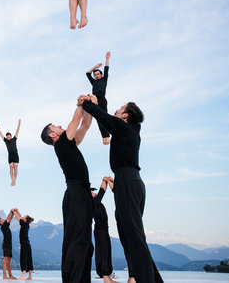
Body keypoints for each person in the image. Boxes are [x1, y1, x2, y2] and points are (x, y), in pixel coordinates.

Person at [81, 97, 164, 283]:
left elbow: (104, 117)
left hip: (128, 181)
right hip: (126, 182)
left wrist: (85, 104)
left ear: (125, 115)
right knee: (129, 235)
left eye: (120, 109)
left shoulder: (126, 129)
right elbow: (105, 116)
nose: (117, 110)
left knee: (133, 236)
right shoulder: (128, 131)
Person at [40, 97, 94, 282]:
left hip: (83, 194)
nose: (60, 125)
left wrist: (90, 106)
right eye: (55, 126)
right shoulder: (61, 143)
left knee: (85, 241)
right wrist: (80, 103)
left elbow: (85, 125)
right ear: (53, 135)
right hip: (75, 194)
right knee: (77, 239)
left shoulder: (69, 142)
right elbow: (75, 120)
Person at [93, 177, 117, 283]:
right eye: (92, 192)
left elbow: (101, 192)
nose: (94, 193)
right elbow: (102, 191)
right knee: (103, 252)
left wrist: (106, 181)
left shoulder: (95, 202)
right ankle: (106, 277)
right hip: (100, 230)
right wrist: (104, 180)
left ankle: (108, 277)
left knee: (106, 251)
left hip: (103, 229)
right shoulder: (93, 202)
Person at [86, 51, 111, 145]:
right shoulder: (94, 82)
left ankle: (107, 136)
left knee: (104, 117)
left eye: (98, 74)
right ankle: (103, 136)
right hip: (94, 101)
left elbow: (106, 69)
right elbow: (87, 74)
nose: (96, 76)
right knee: (98, 119)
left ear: (101, 75)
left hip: (102, 100)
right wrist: (95, 67)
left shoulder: (104, 80)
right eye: (95, 74)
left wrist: (107, 59)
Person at [0, 119, 22, 186]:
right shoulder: (6, 141)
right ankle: (12, 180)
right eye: (7, 137)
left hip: (15, 154)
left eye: (9, 136)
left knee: (15, 167)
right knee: (11, 168)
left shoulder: (14, 139)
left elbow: (17, 130)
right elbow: (0, 134)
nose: (8, 138)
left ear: (11, 136)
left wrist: (19, 124)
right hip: (10, 155)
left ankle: (15, 180)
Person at [12, 208, 34, 280]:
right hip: (27, 244)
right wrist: (17, 210)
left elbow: (18, 217)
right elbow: (20, 217)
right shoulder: (26, 224)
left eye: (24, 217)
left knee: (23, 259)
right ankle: (30, 276)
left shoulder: (24, 225)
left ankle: (23, 276)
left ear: (25, 220)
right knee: (29, 259)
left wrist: (14, 212)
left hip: (24, 244)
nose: (22, 217)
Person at [0, 209, 16, 280]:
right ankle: (4, 276)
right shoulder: (3, 226)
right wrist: (11, 211)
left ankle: (10, 276)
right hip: (6, 245)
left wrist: (13, 213)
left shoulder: (6, 225)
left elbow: (9, 219)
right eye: (1, 220)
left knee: (9, 262)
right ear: (0, 223)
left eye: (2, 219)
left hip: (9, 245)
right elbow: (8, 218)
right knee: (5, 260)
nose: (3, 220)